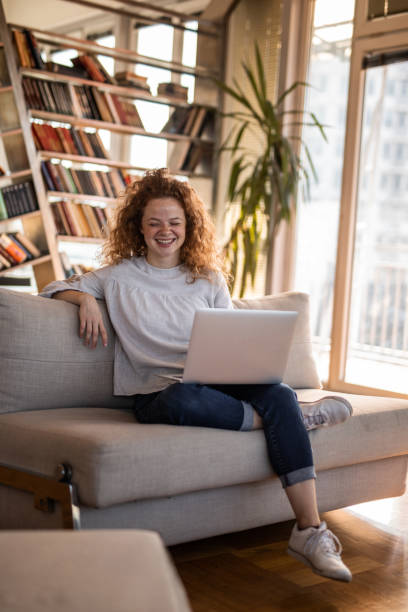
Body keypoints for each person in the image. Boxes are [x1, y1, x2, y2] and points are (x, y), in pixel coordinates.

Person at [40, 168, 352, 582]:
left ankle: (310, 532)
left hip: (214, 378)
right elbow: (51, 286)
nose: (164, 231)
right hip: (159, 393)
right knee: (184, 398)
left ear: (188, 227)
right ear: (139, 227)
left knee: (276, 392)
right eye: (154, 223)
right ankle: (297, 418)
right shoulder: (117, 277)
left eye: (174, 222)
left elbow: (231, 340)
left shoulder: (207, 279)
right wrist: (85, 299)